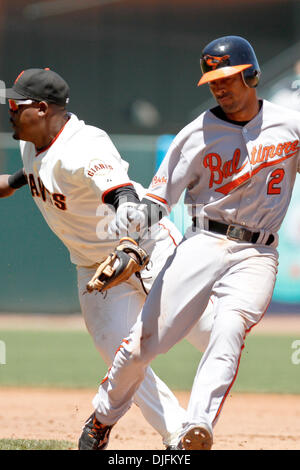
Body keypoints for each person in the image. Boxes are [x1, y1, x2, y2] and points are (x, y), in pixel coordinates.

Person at [80, 35, 300, 451]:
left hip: (257, 253)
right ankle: (103, 416)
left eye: (228, 77)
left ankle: (193, 430)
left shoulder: (290, 126)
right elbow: (159, 200)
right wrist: (129, 243)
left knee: (229, 329)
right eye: (212, 79)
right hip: (202, 241)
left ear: (251, 75)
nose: (219, 86)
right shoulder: (194, 135)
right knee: (143, 345)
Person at [0, 67, 214, 450]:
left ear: (43, 109)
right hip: (92, 268)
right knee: (120, 354)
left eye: (16, 105)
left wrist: (128, 245)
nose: (10, 111)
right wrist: (13, 182)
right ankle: (179, 434)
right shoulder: (30, 140)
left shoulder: (86, 146)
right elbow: (45, 168)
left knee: (211, 332)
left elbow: (124, 197)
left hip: (146, 249)